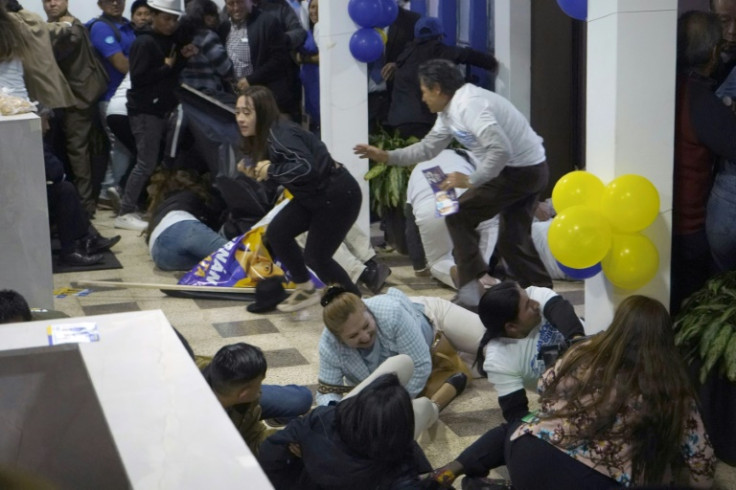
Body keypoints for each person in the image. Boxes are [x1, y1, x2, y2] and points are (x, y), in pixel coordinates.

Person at [430, 296, 716, 490]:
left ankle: (449, 470)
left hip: (529, 456)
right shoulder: (673, 388)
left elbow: (544, 386)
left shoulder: (582, 352)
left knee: (517, 427)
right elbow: (701, 462)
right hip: (595, 480)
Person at [355, 59, 553, 310]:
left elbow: (500, 149)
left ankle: (472, 290)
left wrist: (472, 179)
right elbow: (428, 148)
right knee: (513, 241)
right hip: (528, 169)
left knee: (458, 213)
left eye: (424, 91)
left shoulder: (469, 105)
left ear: (437, 88)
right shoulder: (448, 112)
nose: (423, 98)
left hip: (521, 171)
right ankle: (545, 299)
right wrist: (388, 157)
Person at [235, 86, 362, 311]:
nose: (241, 119)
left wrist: (271, 170)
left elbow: (306, 167)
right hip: (313, 196)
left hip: (338, 194)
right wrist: (257, 171)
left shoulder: (279, 133)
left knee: (317, 257)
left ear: (262, 112)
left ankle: (357, 306)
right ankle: (305, 289)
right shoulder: (265, 137)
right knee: (277, 232)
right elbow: (285, 176)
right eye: (238, 113)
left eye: (247, 112)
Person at [316, 285, 477, 435]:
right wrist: (336, 417)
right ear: (338, 338)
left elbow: (420, 366)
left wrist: (389, 410)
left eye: (366, 326)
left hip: (432, 315)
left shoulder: (392, 312)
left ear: (368, 310)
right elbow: (327, 391)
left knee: (493, 341)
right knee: (480, 365)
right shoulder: (329, 345)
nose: (364, 336)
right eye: (353, 336)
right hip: (429, 351)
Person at [259, 374, 434, 490]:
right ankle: (440, 401)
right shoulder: (394, 465)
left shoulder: (322, 420)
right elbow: (410, 460)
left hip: (303, 472)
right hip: (380, 448)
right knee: (423, 405)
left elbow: (270, 452)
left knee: (400, 371)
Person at [672, 11, 736, 313]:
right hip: (692, 232)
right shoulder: (701, 101)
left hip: (665, 224)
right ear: (713, 52)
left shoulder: (664, 89)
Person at [115, 0, 198, 232]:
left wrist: (181, 58)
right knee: (145, 162)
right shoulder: (144, 42)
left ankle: (130, 207)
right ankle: (124, 211)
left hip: (158, 109)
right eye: (166, 18)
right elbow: (140, 78)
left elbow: (169, 73)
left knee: (148, 161)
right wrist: (168, 66)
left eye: (174, 19)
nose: (171, 24)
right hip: (144, 111)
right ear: (153, 16)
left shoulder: (166, 40)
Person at [475, 281, 585, 423]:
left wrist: (579, 344)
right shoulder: (498, 360)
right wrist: (541, 427)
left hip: (595, 359)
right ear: (512, 327)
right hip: (569, 398)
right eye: (528, 306)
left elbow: (561, 309)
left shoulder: (534, 294)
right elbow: (516, 413)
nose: (535, 304)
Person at [43, 0, 110, 216]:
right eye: (47, 0)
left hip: (78, 99)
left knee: (77, 153)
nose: (52, 3)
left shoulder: (71, 27)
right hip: (66, 100)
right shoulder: (56, 25)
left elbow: (59, 50)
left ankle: (85, 207)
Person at [387, 17, 498, 140]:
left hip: (398, 122)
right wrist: (492, 64)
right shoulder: (440, 51)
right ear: (439, 36)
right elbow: (469, 55)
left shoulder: (405, 55)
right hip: (422, 122)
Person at [197, 342, 313, 456]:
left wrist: (289, 436)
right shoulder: (200, 428)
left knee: (302, 398)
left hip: (230, 395)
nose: (260, 390)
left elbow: (255, 435)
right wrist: (287, 439)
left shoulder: (211, 369)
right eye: (259, 384)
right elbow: (252, 442)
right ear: (244, 394)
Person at [88, 0, 137, 208]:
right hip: (109, 98)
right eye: (109, 0)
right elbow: (122, 64)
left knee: (122, 146)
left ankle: (112, 190)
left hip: (129, 97)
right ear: (100, 3)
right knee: (120, 146)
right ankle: (108, 191)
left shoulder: (127, 25)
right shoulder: (100, 27)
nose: (115, 3)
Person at [218, 0, 293, 115]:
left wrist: (251, 79)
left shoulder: (267, 22)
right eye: (231, 4)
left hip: (264, 97)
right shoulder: (224, 28)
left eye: (240, 2)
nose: (236, 8)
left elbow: (280, 59)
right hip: (236, 99)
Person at [145, 169, 227, 271]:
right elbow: (213, 213)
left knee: (218, 263)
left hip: (159, 255)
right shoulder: (189, 194)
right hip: (180, 227)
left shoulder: (162, 205)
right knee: (235, 255)